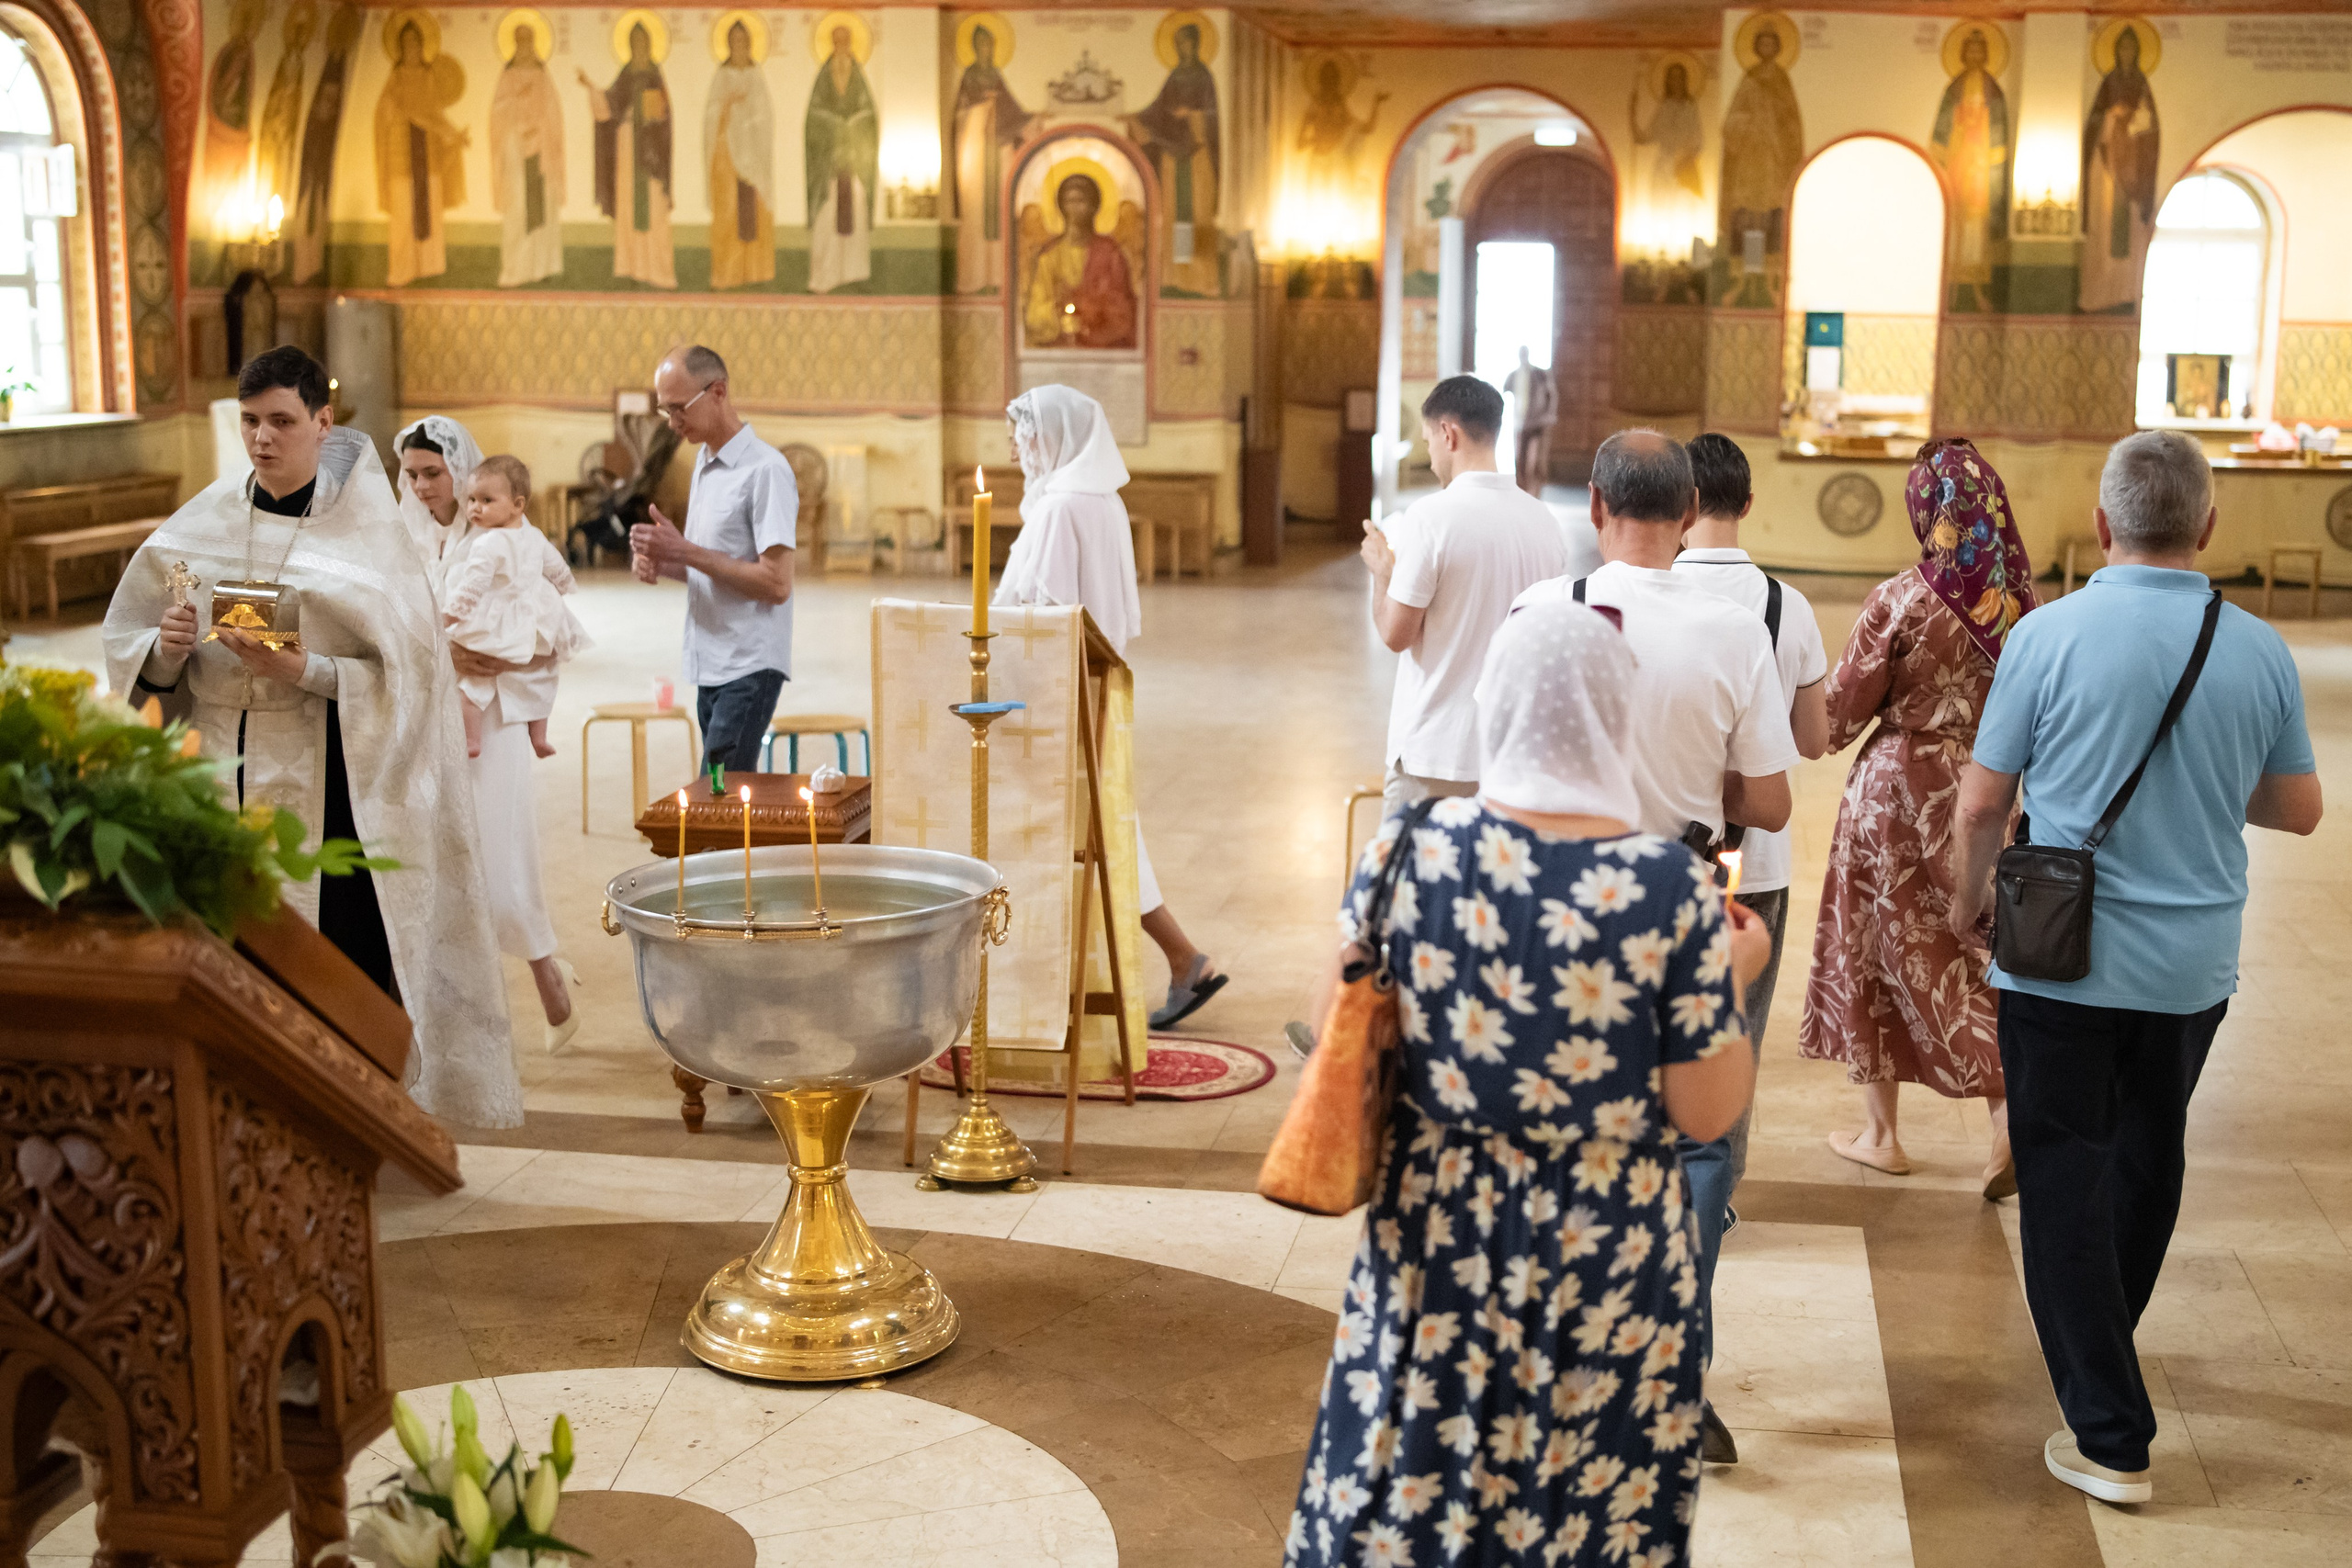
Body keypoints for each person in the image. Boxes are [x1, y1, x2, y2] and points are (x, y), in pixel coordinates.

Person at [1285, 599, 1770, 1568]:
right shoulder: (1664, 889)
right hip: (1609, 1254)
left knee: (1416, 1469)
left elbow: (1339, 1032)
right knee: (1589, 1498)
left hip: (1435, 1237)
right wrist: (1730, 976)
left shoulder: (1403, 856)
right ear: (1613, 713)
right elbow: (1704, 1111)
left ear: (1495, 704)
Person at [1950, 430, 2321, 1506]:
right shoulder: (2255, 646)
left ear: (2103, 526)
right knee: (2148, 1157)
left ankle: (2110, 1433)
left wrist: (1966, 900)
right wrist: (2207, 791)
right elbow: (2297, 809)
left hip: (2061, 956)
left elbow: (1982, 800)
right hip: (2191, 968)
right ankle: (2099, 1346)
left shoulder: (2048, 636)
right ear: (2207, 527)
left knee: (2062, 1168)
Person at [100, 346, 521, 1128]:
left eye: (282, 421)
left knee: (339, 949)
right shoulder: (203, 522)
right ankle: (240, 1107)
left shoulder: (371, 537)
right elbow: (138, 666)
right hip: (221, 774)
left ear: (323, 423)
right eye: (252, 421)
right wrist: (166, 646)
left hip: (335, 779)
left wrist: (308, 670)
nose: (263, 438)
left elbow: (413, 677)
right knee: (231, 944)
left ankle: (343, 1116)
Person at [1512, 427, 1796, 1465]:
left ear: (1593, 505)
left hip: (1552, 915)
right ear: (1687, 516)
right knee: (1696, 1143)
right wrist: (1693, 784)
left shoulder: (1537, 615)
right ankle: (1671, 1371)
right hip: (1675, 909)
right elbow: (1766, 802)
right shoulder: (1730, 630)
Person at [1800, 438, 2033, 1195]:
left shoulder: (1899, 599)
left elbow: (1836, 717)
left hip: (1897, 795)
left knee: (1876, 947)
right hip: (1992, 791)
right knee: (1980, 953)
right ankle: (2004, 1128)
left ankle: (1882, 1133)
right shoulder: (2025, 608)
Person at [992, 385, 1227, 1030]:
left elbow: (1037, 612)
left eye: (1023, 432)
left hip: (1048, 691)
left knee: (1098, 830)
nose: (1014, 445)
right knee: (1109, 824)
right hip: (1095, 686)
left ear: (1056, 437)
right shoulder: (1100, 501)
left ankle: (1156, 960)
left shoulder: (1060, 509)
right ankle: (1181, 956)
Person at [1673, 432, 1829, 1221]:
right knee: (1738, 1033)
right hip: (1757, 861)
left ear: (1682, 502)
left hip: (1663, 853)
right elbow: (1813, 737)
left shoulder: (1652, 590)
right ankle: (1716, 1195)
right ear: (1749, 503)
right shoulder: (1786, 605)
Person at [1363, 375, 1567, 813]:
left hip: (1435, 754)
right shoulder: (1544, 522)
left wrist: (1382, 573)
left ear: (1447, 434)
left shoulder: (1431, 517)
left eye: (1428, 440)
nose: (1432, 456)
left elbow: (1396, 635)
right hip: (1512, 755)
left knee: (1417, 880)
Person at [628, 344, 798, 776]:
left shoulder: (766, 471)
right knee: (725, 803)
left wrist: (684, 550)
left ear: (718, 391)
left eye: (678, 408)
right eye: (665, 411)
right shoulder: (705, 464)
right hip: (710, 661)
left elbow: (776, 583)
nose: (672, 423)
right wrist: (663, 561)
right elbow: (714, 566)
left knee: (716, 799)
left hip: (749, 665)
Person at [443, 456, 587, 762]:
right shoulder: (535, 535)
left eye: (486, 500)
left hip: (499, 617)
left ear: (518, 504)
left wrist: (449, 616)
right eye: (470, 500)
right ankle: (539, 736)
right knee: (541, 677)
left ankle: (472, 738)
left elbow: (473, 587)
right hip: (532, 615)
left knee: (473, 682)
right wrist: (563, 590)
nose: (474, 508)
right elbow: (557, 567)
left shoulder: (487, 543)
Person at [1505, 345, 1557, 497]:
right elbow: (1504, 390)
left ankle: (1536, 493)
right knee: (1519, 459)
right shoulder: (1514, 375)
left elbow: (1551, 395)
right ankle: (1522, 491)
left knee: (1535, 461)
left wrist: (1549, 416)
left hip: (1538, 423)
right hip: (1520, 423)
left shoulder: (1540, 374)